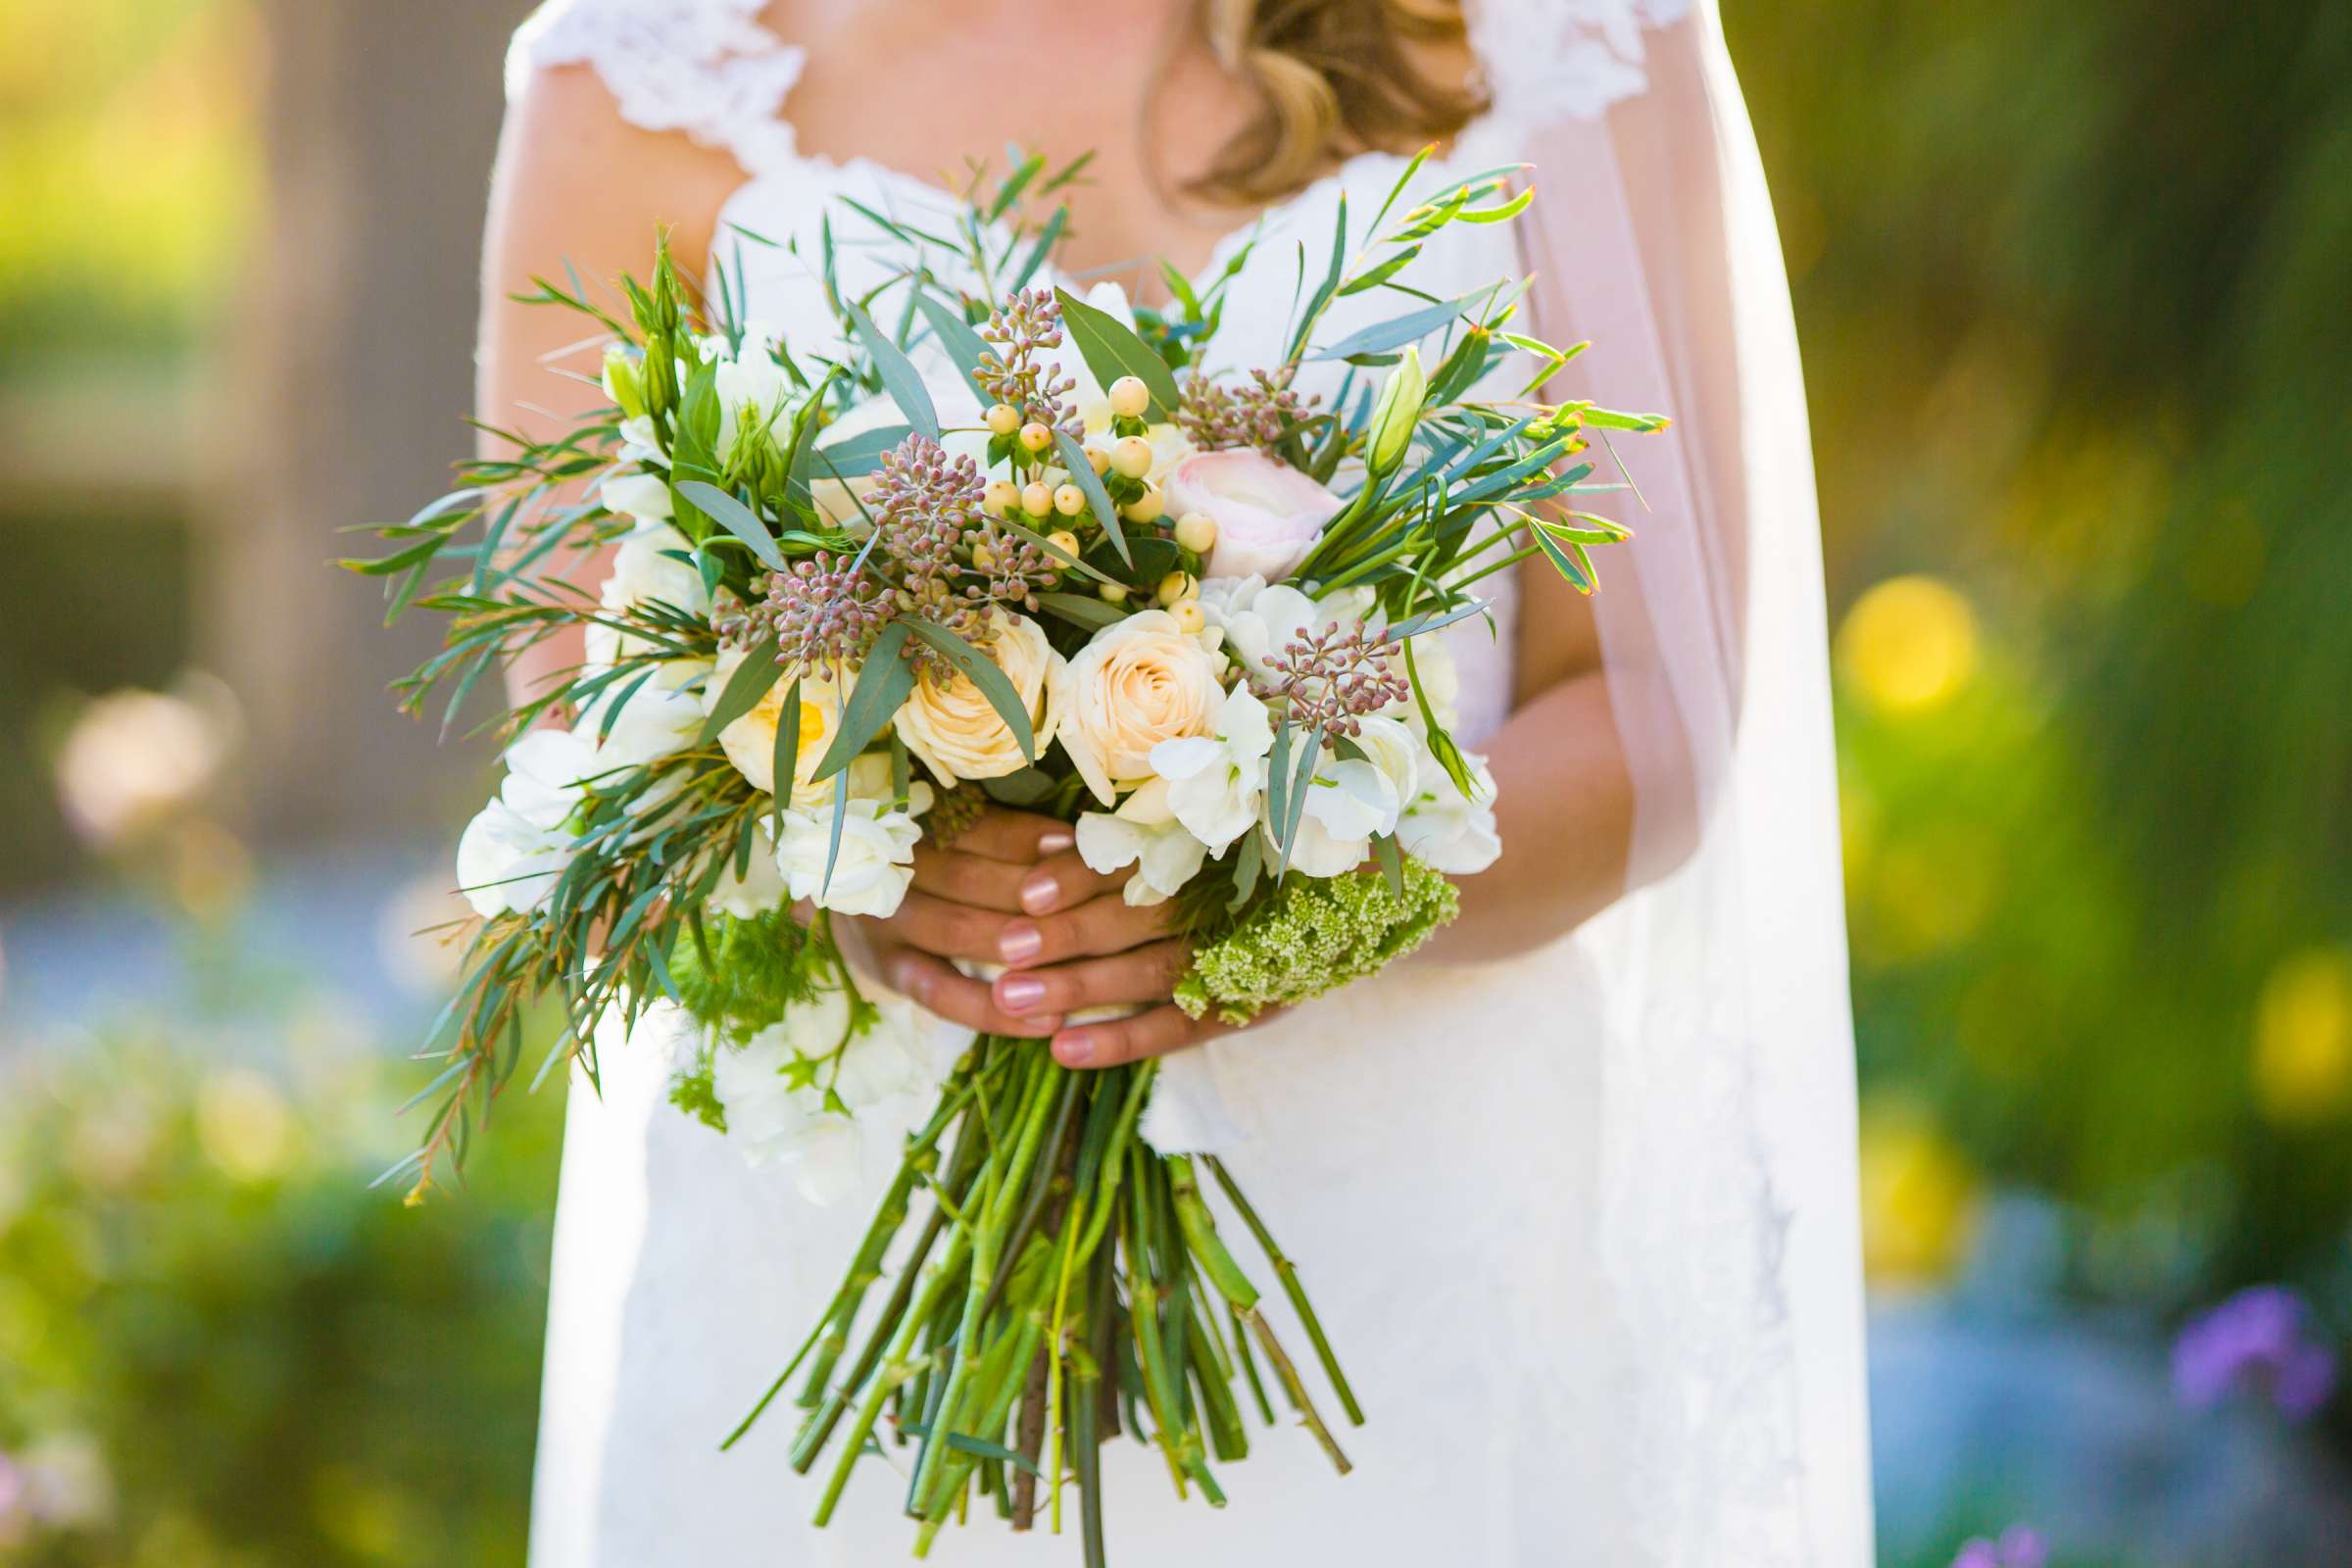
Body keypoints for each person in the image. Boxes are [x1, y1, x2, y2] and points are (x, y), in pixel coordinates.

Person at [485, 1, 1873, 1562]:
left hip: (1407, 1257)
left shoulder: (1566, 40)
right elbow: (582, 720)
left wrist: (1314, 910)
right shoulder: (649, 68)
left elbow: (1645, 705)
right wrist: (856, 881)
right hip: (835, 1228)